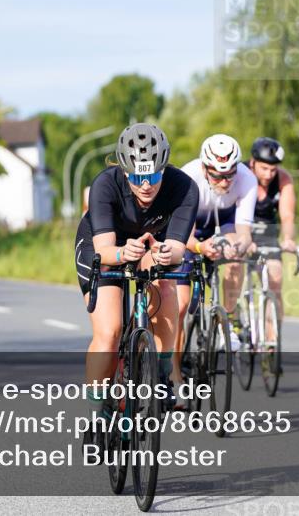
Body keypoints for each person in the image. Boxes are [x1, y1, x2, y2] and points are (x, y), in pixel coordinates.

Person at [76, 123, 198, 414]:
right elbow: (104, 250)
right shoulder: (105, 185)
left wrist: (166, 253)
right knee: (110, 331)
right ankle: (98, 411)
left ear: (164, 169)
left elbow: (178, 248)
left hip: (151, 243)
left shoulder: (184, 187)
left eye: (154, 176)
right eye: (137, 177)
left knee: (166, 286)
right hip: (106, 246)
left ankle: (162, 372)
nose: (146, 185)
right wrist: (122, 252)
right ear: (124, 171)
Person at [174, 134, 257, 379]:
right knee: (180, 306)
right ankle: (174, 374)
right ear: (204, 168)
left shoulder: (247, 179)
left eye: (230, 174)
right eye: (217, 176)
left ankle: (225, 322)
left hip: (225, 223)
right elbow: (183, 237)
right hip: (190, 230)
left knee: (237, 257)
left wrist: (238, 248)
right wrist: (201, 248)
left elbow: (244, 234)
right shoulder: (188, 178)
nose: (224, 182)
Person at [248, 137, 297, 330]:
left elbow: (287, 215)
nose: (268, 174)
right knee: (235, 271)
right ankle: (233, 325)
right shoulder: (242, 174)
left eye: (273, 170)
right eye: (264, 168)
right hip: (241, 227)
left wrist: (288, 239)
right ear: (253, 163)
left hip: (267, 232)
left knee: (274, 281)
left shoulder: (283, 179)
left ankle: (271, 339)